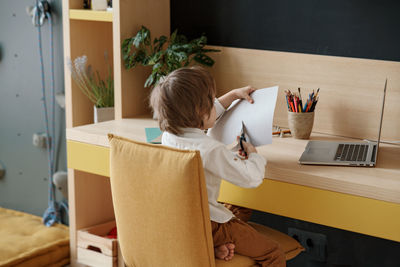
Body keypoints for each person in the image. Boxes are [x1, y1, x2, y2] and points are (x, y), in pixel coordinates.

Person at [150, 66, 286, 267]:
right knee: (274, 253)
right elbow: (251, 179)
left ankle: (212, 244)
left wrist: (231, 96)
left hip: (185, 223)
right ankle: (216, 238)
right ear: (200, 111)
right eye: (211, 102)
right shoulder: (210, 150)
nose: (215, 105)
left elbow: (208, 116)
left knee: (240, 207)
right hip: (210, 224)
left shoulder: (169, 136)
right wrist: (254, 157)